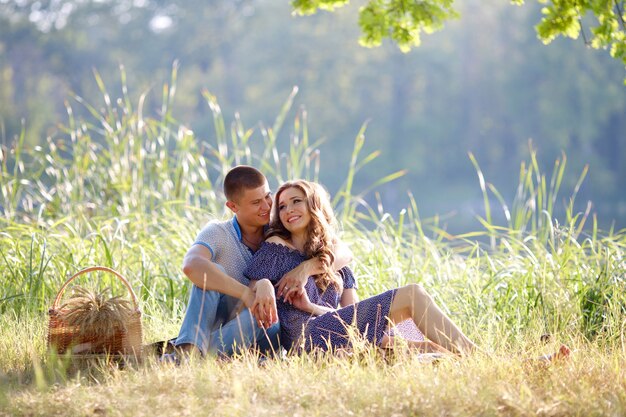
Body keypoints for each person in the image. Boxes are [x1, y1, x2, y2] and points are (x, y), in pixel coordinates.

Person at [244, 180, 571, 360]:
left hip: (337, 334)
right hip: (306, 341)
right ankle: (489, 360)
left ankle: (519, 362)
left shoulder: (337, 263)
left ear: (314, 205)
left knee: (424, 340)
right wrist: (266, 286)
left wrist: (310, 274)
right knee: (412, 296)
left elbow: (350, 312)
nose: (288, 210)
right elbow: (256, 277)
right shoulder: (277, 247)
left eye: (296, 201)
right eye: (282, 205)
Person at [172, 166, 352, 359]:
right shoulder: (218, 232)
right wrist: (248, 293)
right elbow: (191, 265)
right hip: (227, 321)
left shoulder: (280, 229)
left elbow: (343, 252)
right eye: (256, 202)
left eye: (267, 196)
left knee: (265, 315)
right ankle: (189, 350)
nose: (267, 207)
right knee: (208, 274)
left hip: (267, 328)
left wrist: (306, 268)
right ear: (233, 207)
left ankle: (190, 356)